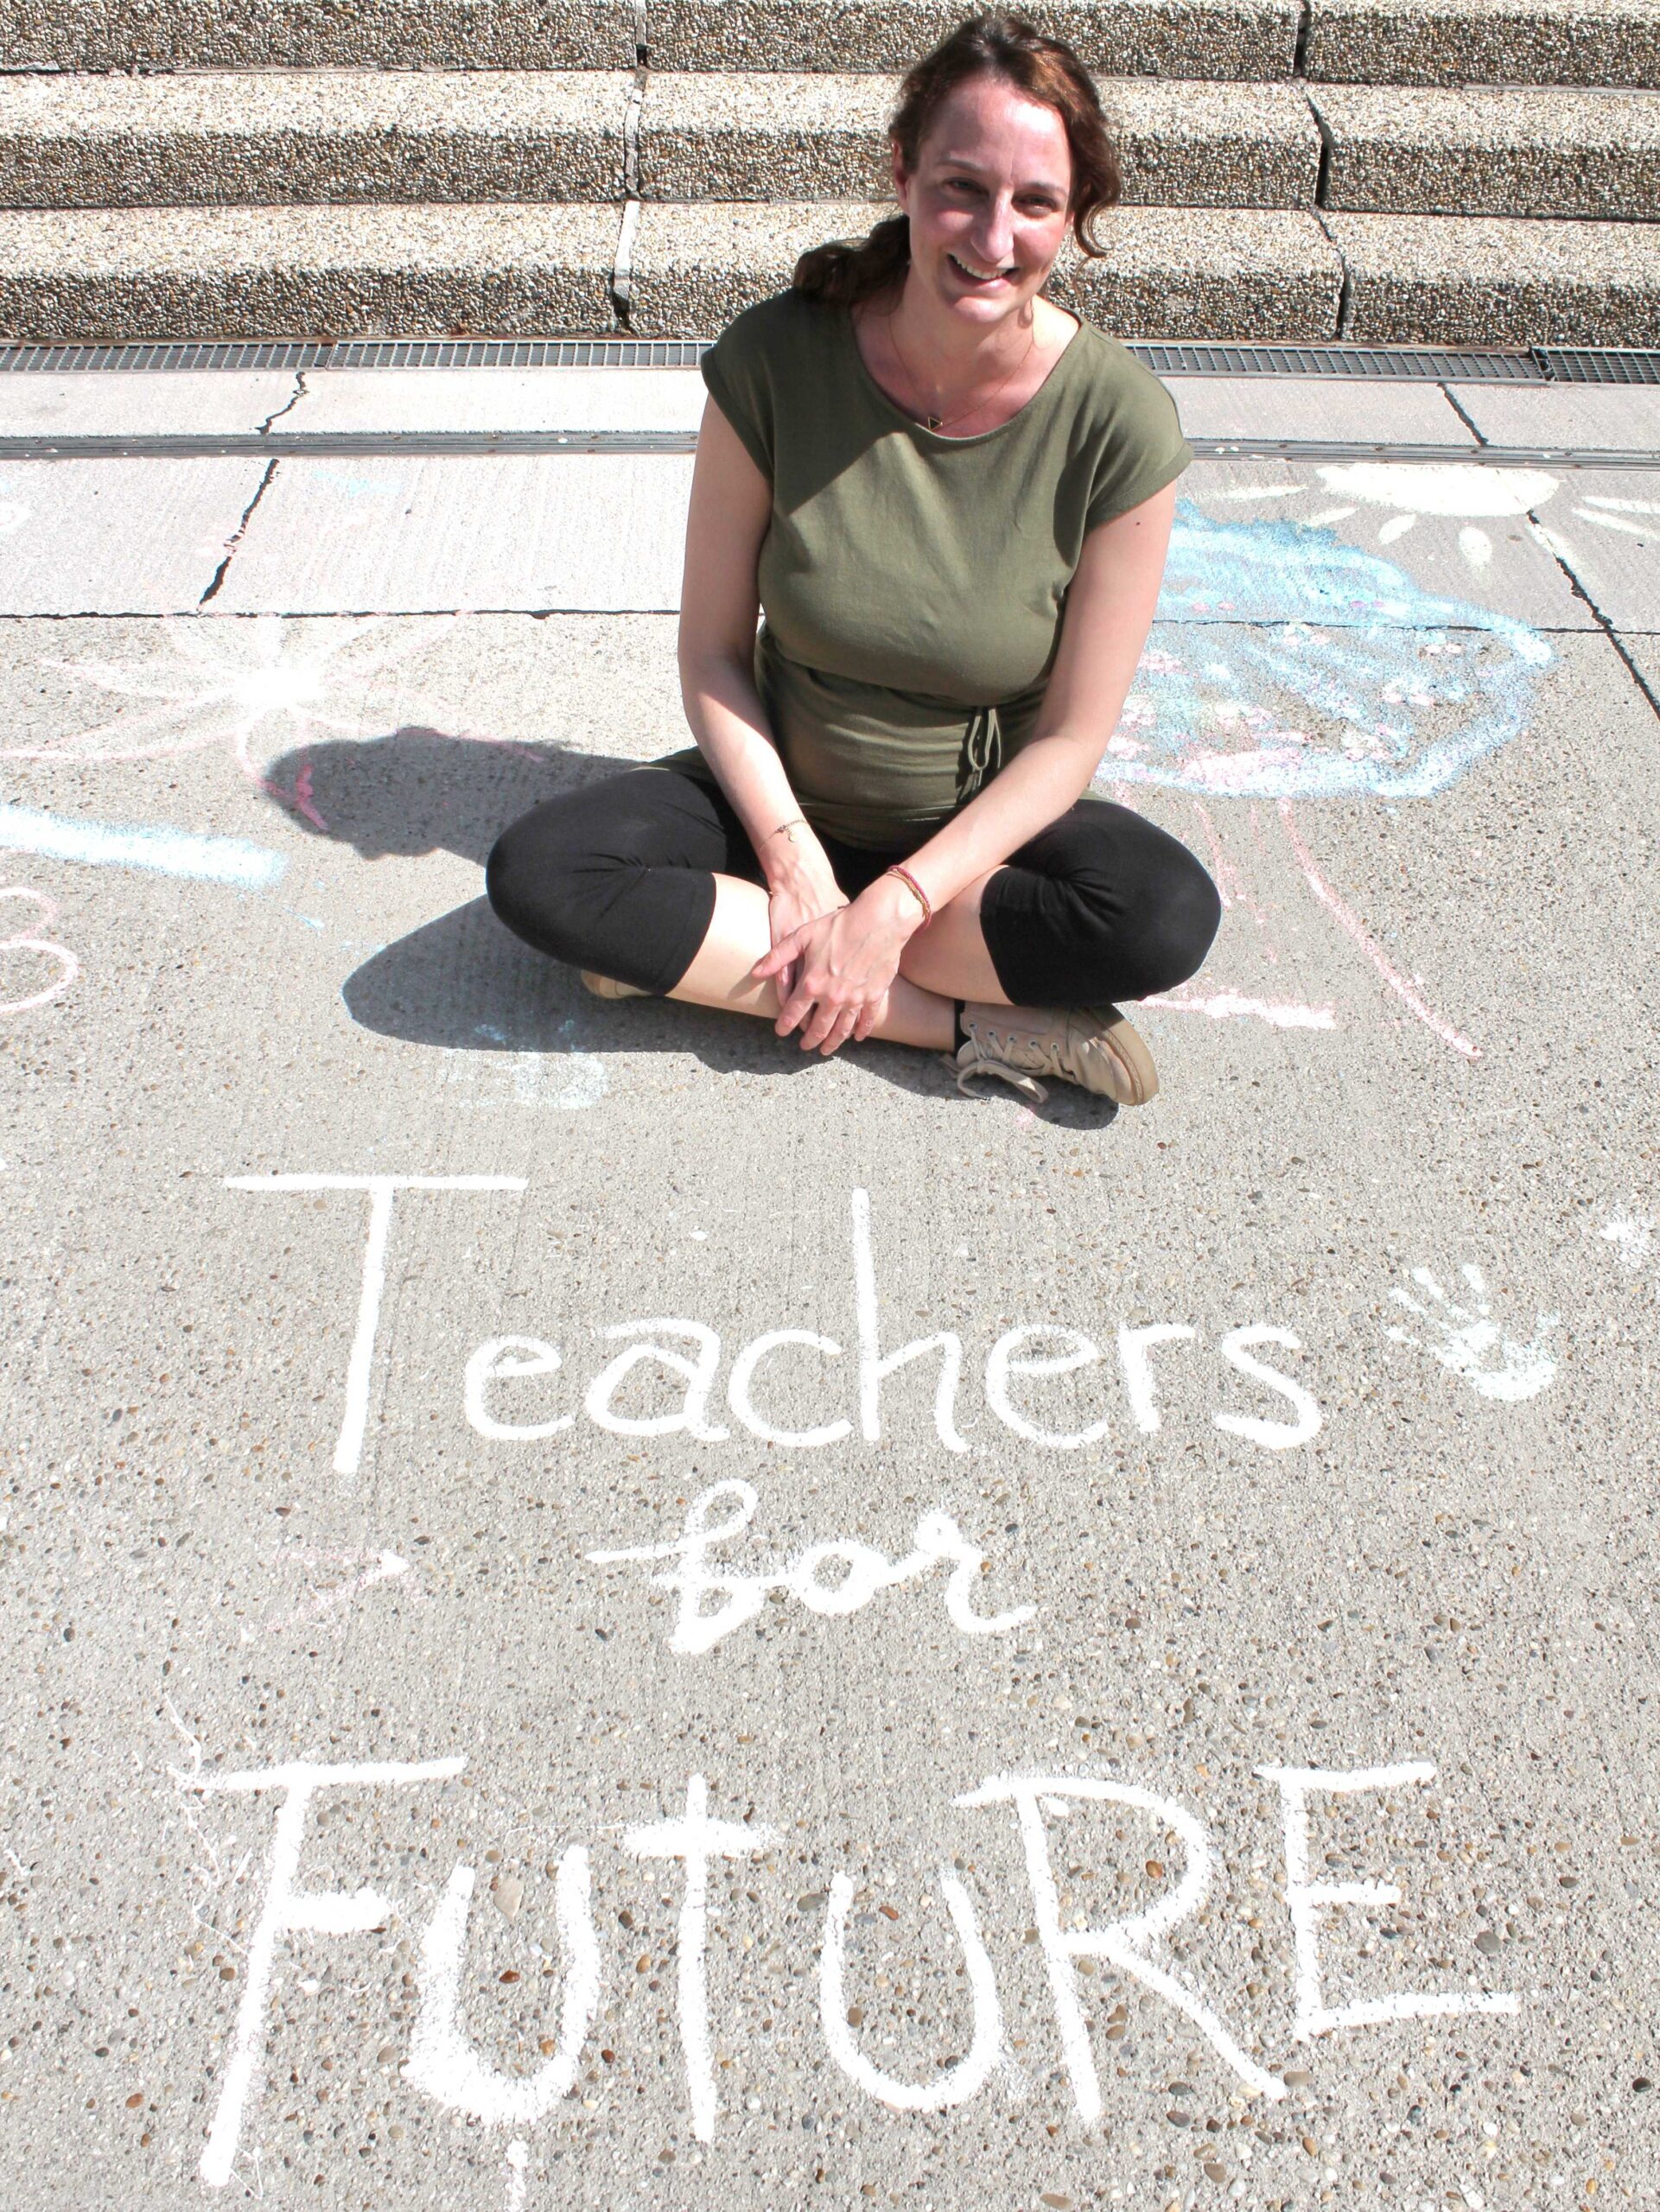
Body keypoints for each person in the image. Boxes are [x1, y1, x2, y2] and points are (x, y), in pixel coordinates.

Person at [487, 11, 1221, 1105]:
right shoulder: (775, 362)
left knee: (1160, 914)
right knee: (541, 874)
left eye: (1035, 203)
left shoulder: (1118, 423)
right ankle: (969, 1025)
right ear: (903, 172)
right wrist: (792, 866)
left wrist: (895, 907)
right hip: (780, 804)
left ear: (1074, 218)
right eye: (960, 188)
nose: (993, 235)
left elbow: (1070, 741)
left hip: (970, 850)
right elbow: (711, 657)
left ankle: (704, 962)